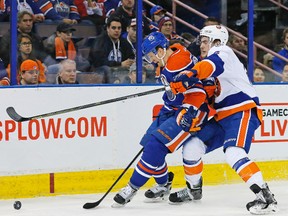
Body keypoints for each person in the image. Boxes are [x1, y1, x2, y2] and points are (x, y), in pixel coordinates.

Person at [169, 25, 278, 215]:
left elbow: (213, 64)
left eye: (204, 41)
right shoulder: (208, 63)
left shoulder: (223, 51)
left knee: (234, 152)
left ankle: (265, 196)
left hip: (241, 110)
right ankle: (194, 190)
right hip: (222, 116)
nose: (201, 45)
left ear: (216, 41)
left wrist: (191, 74)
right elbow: (208, 93)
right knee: (191, 147)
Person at [112, 31, 215, 207]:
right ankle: (164, 184)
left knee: (155, 146)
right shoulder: (170, 58)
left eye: (151, 55)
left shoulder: (177, 63)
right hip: (171, 109)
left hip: (190, 111)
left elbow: (198, 92)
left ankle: (132, 187)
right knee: (148, 145)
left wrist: (187, 110)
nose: (150, 60)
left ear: (160, 50)